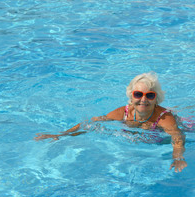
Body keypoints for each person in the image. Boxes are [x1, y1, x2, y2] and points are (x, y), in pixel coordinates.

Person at [35, 72, 187, 173]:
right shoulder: (123, 112)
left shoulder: (164, 118)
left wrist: (178, 158)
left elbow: (177, 138)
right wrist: (61, 135)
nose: (143, 99)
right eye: (138, 94)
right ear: (131, 95)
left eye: (150, 95)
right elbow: (90, 124)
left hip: (164, 136)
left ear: (156, 98)